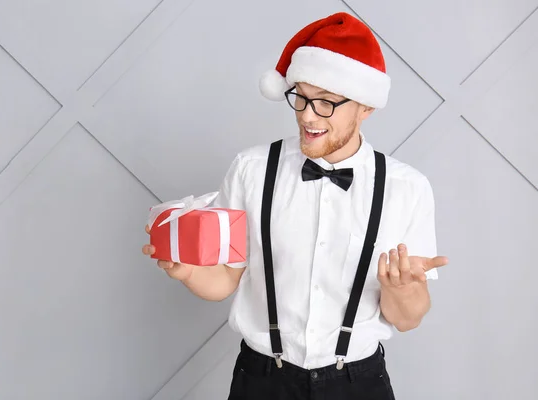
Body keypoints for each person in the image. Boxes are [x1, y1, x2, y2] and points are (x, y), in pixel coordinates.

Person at [142, 11, 449, 400]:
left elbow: (407, 319)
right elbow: (223, 281)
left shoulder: (407, 189)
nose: (307, 115)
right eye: (300, 96)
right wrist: (188, 272)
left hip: (358, 385)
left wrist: (403, 289)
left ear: (366, 107)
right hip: (263, 380)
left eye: (325, 103)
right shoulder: (251, 170)